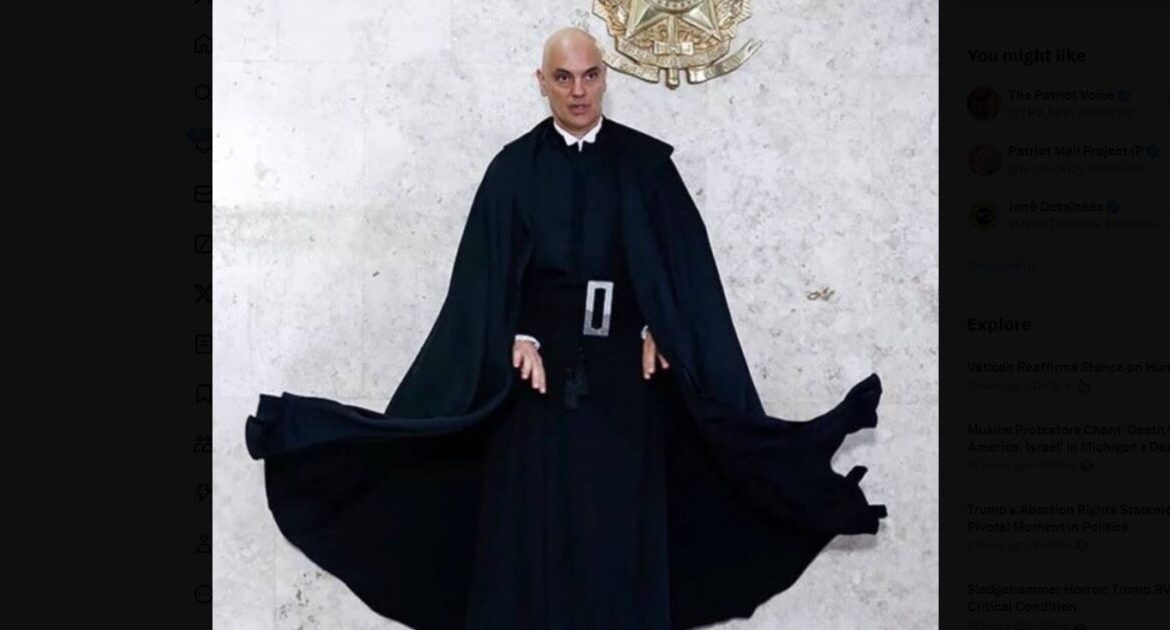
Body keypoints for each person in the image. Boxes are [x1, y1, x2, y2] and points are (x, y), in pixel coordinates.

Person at [245, 26, 887, 630]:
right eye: (563, 78)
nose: (579, 91)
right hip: (537, 393)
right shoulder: (512, 171)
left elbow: (684, 274)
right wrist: (512, 336)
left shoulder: (646, 168)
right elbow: (479, 287)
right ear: (541, 83)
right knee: (532, 541)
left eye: (590, 76)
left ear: (605, 77)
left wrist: (664, 324)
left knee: (618, 539)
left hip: (627, 392)